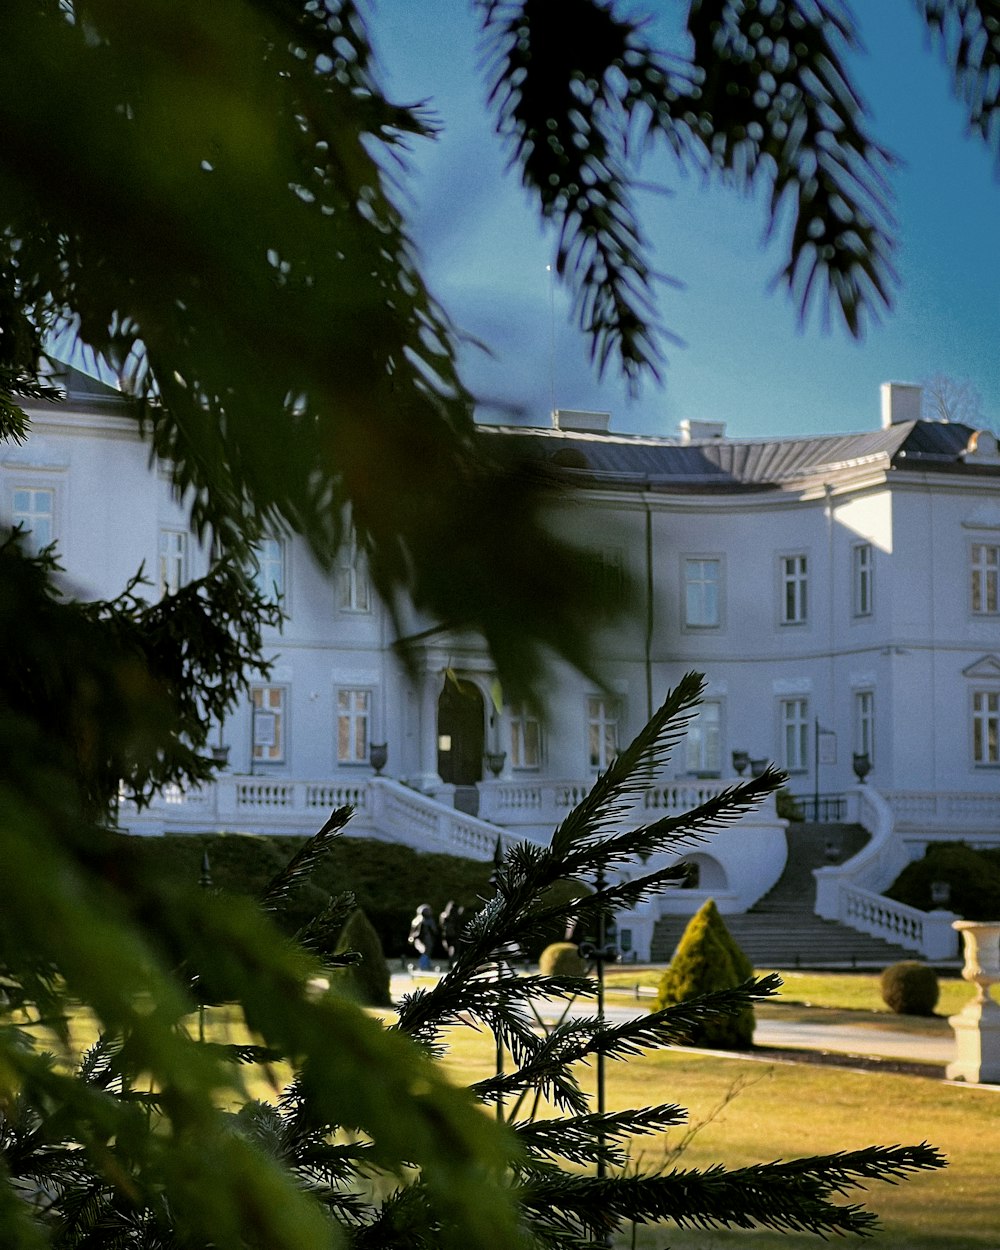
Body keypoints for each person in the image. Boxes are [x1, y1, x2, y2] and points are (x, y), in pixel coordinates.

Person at [408, 904, 437, 972]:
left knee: (424, 952)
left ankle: (425, 965)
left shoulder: (416, 920)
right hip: (426, 939)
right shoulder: (427, 920)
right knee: (426, 952)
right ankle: (423, 966)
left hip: (418, 940)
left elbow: (412, 932)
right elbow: (434, 930)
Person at [438, 900, 464, 967]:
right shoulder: (456, 914)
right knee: (456, 950)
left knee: (450, 950)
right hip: (455, 935)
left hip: (446, 935)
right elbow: (458, 925)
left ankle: (450, 963)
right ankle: (454, 963)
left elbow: (441, 925)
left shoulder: (444, 915)